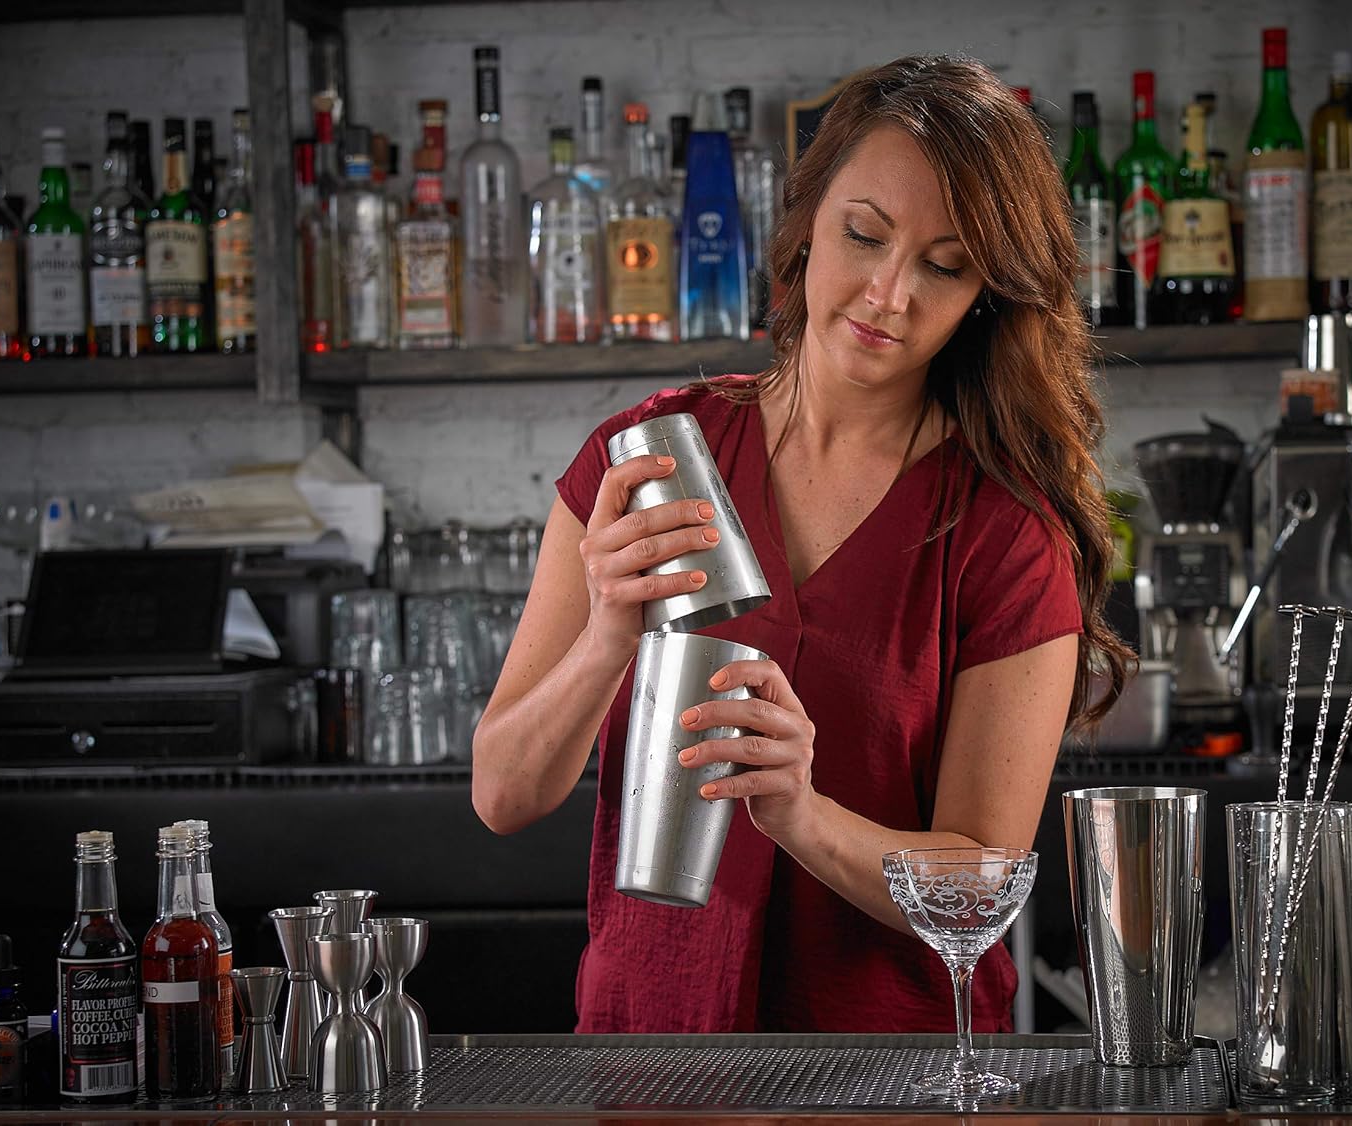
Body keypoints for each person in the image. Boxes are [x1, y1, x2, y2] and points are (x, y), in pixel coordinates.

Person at [472, 54, 1132, 1034]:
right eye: (864, 235)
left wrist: (802, 815)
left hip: (887, 1080)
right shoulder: (650, 460)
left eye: (945, 266)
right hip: (650, 1055)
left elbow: (981, 887)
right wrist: (612, 632)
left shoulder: (1005, 533)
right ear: (807, 221)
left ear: (986, 295)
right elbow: (505, 793)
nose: (889, 293)